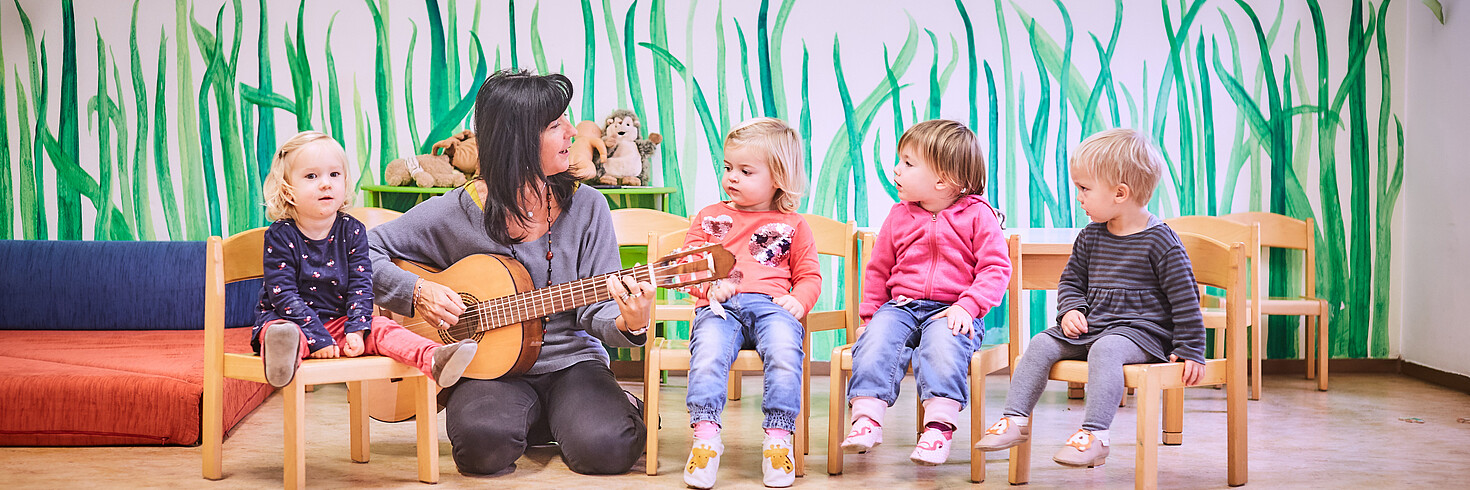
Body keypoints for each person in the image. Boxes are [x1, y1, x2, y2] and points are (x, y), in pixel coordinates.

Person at [366, 70, 655, 476]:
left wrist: (630, 321)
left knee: (606, 450)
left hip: (571, 363)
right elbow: (360, 251)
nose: (572, 132)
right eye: (556, 125)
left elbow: (596, 312)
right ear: (516, 140)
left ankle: (594, 411)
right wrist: (417, 292)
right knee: (480, 451)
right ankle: (544, 422)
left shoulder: (588, 207)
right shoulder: (455, 211)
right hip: (489, 370)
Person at [974, 128, 1207, 469]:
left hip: (1141, 333)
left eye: (1084, 189)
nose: (1079, 197)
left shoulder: (1161, 242)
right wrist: (1071, 309)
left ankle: (1095, 435)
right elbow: (1071, 281)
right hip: (1094, 325)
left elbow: (1186, 299)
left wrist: (1190, 349)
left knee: (1107, 349)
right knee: (1039, 344)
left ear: (1119, 193)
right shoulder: (1090, 236)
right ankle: (1015, 420)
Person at [837, 119, 1011, 466]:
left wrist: (969, 305)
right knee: (875, 339)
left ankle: (938, 429)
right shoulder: (899, 216)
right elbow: (878, 269)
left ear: (943, 179)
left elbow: (996, 269)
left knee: (944, 345)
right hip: (900, 307)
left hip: (952, 310)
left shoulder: (979, 216)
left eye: (907, 163)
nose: (896, 169)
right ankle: (867, 419)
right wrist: (870, 317)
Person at [253, 131, 478, 390]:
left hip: (339, 323)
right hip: (291, 321)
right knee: (282, 332)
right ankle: (281, 359)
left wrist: (357, 329)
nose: (326, 183)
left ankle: (434, 358)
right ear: (288, 191)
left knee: (382, 326)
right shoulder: (280, 235)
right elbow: (283, 296)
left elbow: (361, 285)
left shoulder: (353, 230)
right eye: (311, 176)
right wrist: (317, 337)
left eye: (334, 175)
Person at [679, 118, 819, 489]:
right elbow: (686, 265)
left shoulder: (794, 224)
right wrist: (708, 288)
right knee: (707, 352)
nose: (732, 178)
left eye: (745, 170)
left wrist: (799, 301)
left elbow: (809, 276)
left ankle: (778, 440)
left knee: (786, 352)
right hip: (720, 309)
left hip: (772, 307)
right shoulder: (711, 217)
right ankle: (705, 439)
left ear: (777, 178)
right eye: (728, 168)